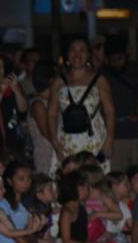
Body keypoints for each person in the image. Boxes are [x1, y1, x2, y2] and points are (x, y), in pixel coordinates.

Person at [47, 38, 115, 166]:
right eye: (73, 50)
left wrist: (109, 140)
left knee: (94, 180)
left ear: (88, 54)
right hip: (66, 140)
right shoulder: (58, 82)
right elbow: (51, 114)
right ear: (67, 54)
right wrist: (55, 143)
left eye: (82, 50)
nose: (77, 54)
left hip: (94, 139)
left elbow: (109, 111)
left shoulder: (100, 80)